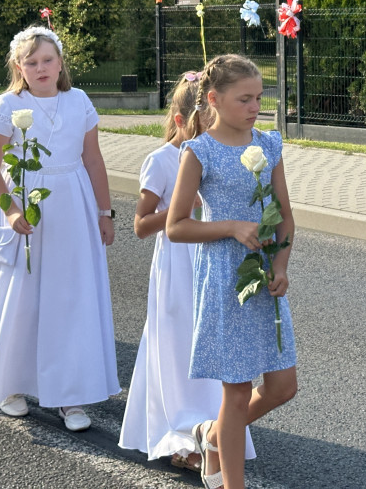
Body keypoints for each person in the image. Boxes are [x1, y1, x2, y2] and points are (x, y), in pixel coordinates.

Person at [0, 26, 119, 432]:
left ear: (61, 62)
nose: (40, 68)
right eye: (31, 62)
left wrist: (105, 212)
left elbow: (94, 160)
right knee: (22, 294)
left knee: (70, 296)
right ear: (19, 67)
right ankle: (11, 384)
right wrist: (10, 210)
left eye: (47, 60)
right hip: (25, 206)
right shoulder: (6, 104)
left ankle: (69, 393)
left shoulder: (79, 101)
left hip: (73, 205)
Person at [167, 54, 296, 489]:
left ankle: (214, 434)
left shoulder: (269, 144)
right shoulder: (198, 152)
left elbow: (284, 218)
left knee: (282, 387)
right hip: (226, 277)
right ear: (214, 99)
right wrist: (231, 227)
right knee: (237, 391)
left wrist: (280, 263)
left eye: (259, 97)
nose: (255, 106)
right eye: (245, 98)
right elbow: (176, 226)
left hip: (265, 275)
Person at [119, 71, 256, 470]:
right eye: (204, 124)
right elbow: (142, 224)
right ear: (181, 122)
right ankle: (180, 436)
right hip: (177, 267)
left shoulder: (215, 152)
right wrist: (178, 207)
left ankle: (214, 428)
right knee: (179, 347)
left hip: (210, 260)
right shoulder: (161, 161)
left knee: (211, 348)